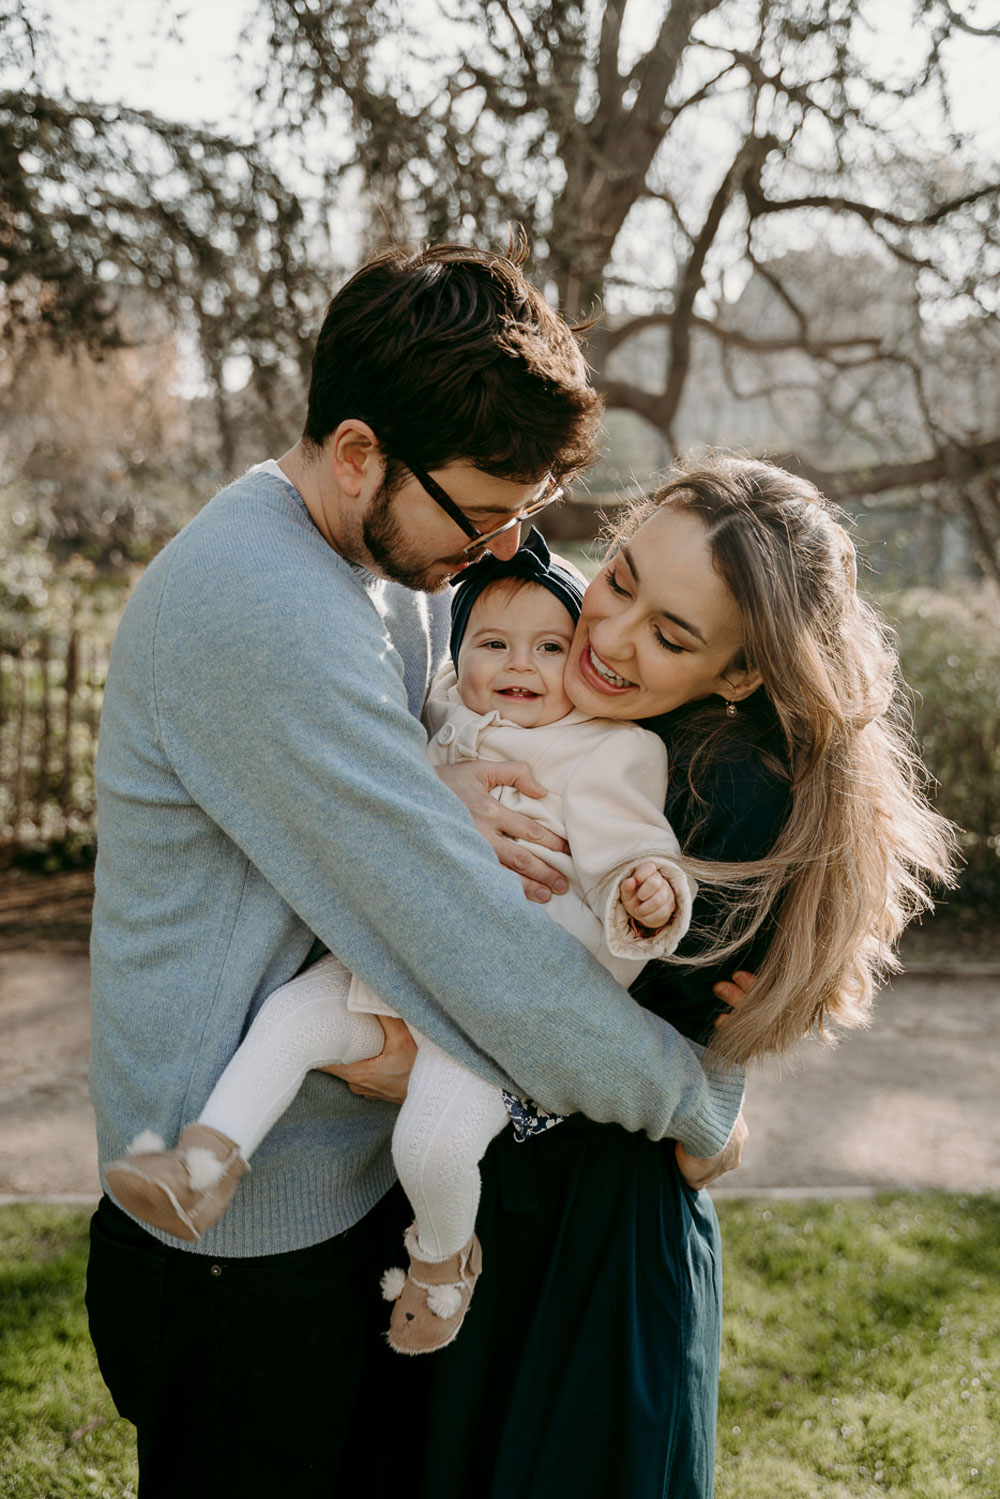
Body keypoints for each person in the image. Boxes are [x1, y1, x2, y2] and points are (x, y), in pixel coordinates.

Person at [85, 244, 748, 1499]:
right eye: (482, 510)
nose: (503, 544)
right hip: (241, 1253)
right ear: (354, 452)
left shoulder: (380, 574)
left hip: (332, 1211)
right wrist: (692, 1098)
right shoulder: (262, 602)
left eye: (525, 515)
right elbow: (463, 942)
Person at [382, 454, 955, 1499]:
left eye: (670, 634)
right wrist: (444, 782)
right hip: (498, 1211)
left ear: (738, 674)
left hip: (594, 1249)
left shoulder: (725, 785)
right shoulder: (585, 694)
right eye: (624, 578)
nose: (609, 635)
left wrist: (710, 1105)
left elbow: (552, 1013)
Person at [101, 529, 698, 1354]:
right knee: (288, 1019)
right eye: (494, 643)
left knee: (432, 1139)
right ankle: (203, 1166)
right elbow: (372, 784)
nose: (519, 664)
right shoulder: (443, 711)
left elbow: (637, 851)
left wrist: (649, 893)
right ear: (461, 655)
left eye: (549, 647)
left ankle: (444, 1260)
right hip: (391, 965)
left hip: (494, 1007)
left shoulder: (607, 750)